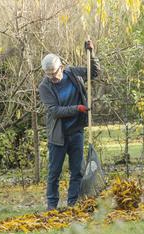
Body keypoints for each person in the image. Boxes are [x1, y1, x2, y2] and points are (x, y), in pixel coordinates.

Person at [39, 40, 100, 210]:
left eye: (54, 73)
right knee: (54, 173)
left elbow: (94, 72)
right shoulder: (44, 86)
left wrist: (91, 53)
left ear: (61, 67)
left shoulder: (73, 74)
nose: (53, 77)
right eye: (48, 74)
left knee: (77, 171)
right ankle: (52, 206)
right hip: (58, 136)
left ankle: (72, 204)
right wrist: (78, 108)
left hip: (76, 132)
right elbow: (55, 111)